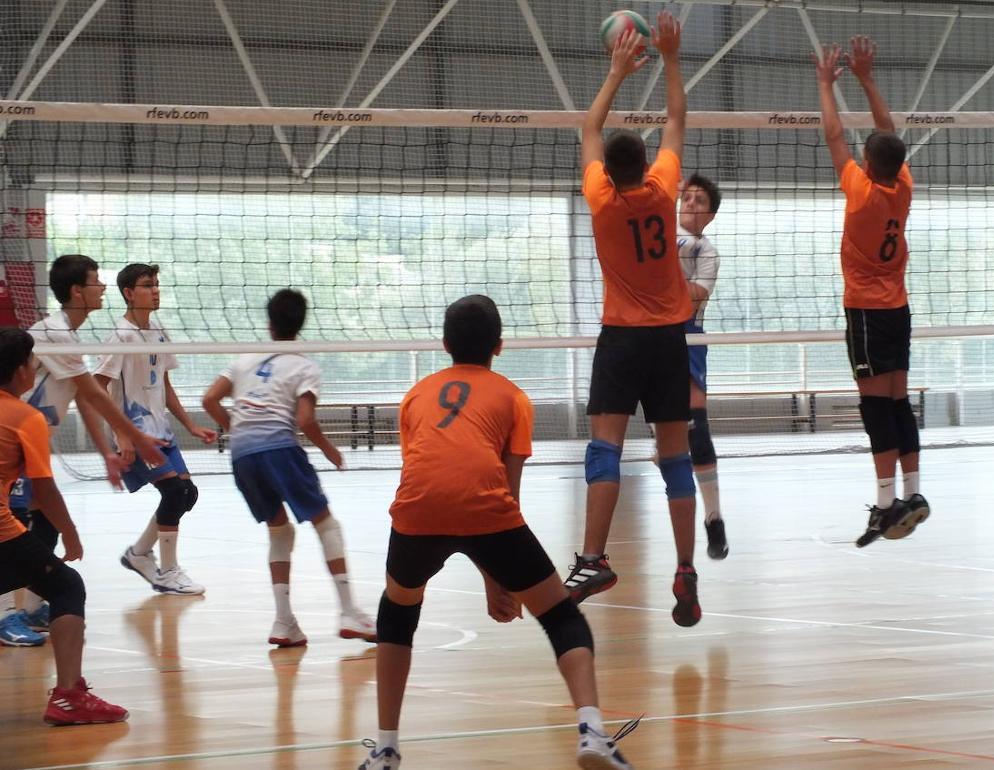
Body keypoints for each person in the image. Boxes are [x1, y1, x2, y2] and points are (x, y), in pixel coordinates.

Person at [357, 295, 638, 770]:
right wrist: (500, 576)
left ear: (445, 344)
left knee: (397, 614)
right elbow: (500, 496)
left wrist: (494, 576)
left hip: (416, 513)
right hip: (489, 514)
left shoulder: (416, 395)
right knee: (561, 617)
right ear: (499, 346)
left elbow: (433, 480)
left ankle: (386, 749)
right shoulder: (513, 397)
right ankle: (592, 732)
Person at [563, 11, 702, 627]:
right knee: (675, 458)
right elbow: (676, 119)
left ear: (607, 173)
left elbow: (589, 127)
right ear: (646, 167)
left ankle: (594, 559)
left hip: (621, 340)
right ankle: (685, 568)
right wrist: (669, 58)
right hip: (669, 340)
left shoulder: (601, 200)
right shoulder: (664, 190)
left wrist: (616, 71)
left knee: (605, 449)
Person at [0, 254, 164, 647]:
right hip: (10, 441)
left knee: (45, 523)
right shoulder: (55, 333)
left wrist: (106, 450)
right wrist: (137, 438)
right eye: (96, 281)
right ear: (77, 291)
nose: (103, 287)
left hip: (28, 443)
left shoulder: (69, 336)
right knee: (13, 525)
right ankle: (6, 615)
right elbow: (94, 392)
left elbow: (82, 396)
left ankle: (33, 605)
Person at [201, 289, 376, 646]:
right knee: (327, 525)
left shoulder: (245, 358)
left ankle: (284, 623)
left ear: (269, 323)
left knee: (279, 532)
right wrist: (329, 449)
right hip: (279, 448)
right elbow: (305, 420)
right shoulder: (304, 366)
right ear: (301, 324)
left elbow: (209, 399)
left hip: (242, 455)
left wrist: (236, 428)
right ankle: (349, 612)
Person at [815, 35, 929, 548]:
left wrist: (825, 83)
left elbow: (833, 133)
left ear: (866, 162)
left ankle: (886, 506)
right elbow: (887, 132)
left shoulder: (861, 193)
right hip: (897, 309)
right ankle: (913, 493)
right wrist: (865, 79)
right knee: (898, 401)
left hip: (866, 312)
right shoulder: (901, 186)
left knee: (876, 408)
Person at [0, 327, 128, 725]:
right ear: (21, 371)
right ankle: (69, 697)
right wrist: (70, 533)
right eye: (33, 364)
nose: (35, 369)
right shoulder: (26, 418)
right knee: (66, 586)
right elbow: (43, 489)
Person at [95, 264, 217, 595]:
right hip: (135, 431)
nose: (156, 290)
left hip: (160, 428)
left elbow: (164, 384)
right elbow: (97, 387)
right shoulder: (121, 336)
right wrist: (121, 435)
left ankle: (138, 554)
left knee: (187, 493)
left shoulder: (158, 329)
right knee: (174, 492)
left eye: (156, 284)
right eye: (148, 285)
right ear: (129, 293)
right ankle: (168, 571)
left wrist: (190, 424)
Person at [676, 174, 728, 560]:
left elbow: (694, 298)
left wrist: (659, 279)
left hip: (686, 338)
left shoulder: (706, 251)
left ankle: (714, 518)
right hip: (644, 334)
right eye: (687, 197)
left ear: (710, 215)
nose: (691, 204)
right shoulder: (659, 230)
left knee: (697, 430)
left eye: (699, 200)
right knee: (668, 440)